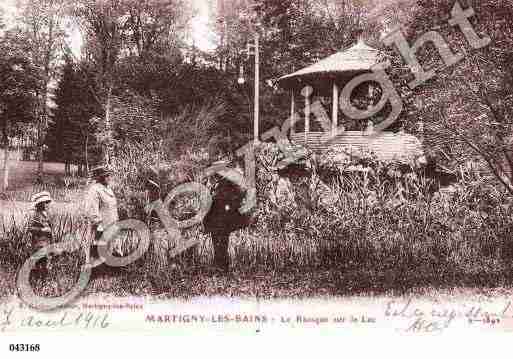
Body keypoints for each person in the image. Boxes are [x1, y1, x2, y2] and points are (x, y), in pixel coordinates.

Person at [203, 160, 252, 273]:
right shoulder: (216, 183)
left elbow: (239, 196)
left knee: (222, 241)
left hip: (224, 217)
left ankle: (222, 267)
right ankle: (219, 265)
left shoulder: (229, 182)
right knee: (217, 241)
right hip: (216, 217)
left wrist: (229, 206)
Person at [85, 165, 121, 266]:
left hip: (111, 223)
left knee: (110, 248)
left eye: (110, 175)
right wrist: (98, 225)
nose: (109, 178)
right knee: (98, 249)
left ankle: (108, 268)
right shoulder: (95, 189)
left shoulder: (108, 189)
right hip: (100, 226)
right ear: (100, 177)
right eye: (106, 176)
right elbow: (92, 210)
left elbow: (112, 207)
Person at [28, 191, 54, 280]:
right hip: (38, 243)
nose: (47, 204)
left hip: (46, 243)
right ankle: (36, 280)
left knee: (46, 262)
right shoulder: (36, 215)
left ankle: (44, 280)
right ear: (40, 204)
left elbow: (50, 229)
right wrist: (42, 230)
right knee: (38, 262)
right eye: (45, 202)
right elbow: (30, 228)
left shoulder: (46, 214)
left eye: (47, 202)